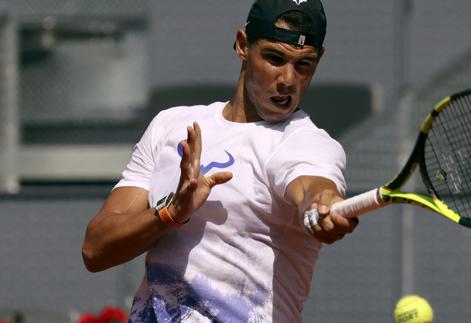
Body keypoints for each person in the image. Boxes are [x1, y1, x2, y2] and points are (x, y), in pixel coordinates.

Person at [82, 0, 358, 321]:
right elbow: (95, 250)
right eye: (274, 58)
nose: (288, 79)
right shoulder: (169, 125)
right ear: (242, 45)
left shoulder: (306, 144)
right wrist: (171, 214)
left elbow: (313, 187)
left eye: (304, 65)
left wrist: (321, 205)